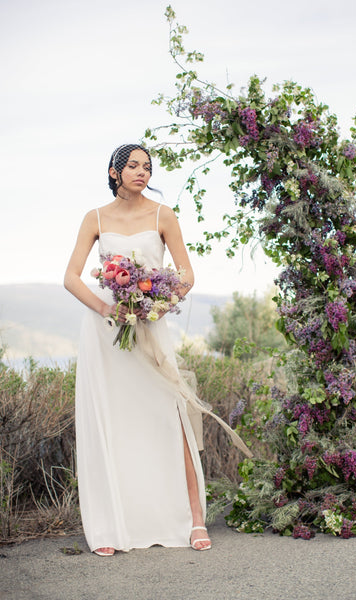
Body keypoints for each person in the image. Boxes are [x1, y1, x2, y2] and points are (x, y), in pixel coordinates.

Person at [64, 143, 212, 556]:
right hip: (107, 332)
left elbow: (186, 274)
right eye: (132, 165)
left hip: (150, 327)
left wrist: (155, 306)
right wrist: (108, 309)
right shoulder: (94, 218)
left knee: (171, 415)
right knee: (116, 422)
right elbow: (71, 277)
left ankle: (194, 520)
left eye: (147, 166)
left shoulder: (163, 215)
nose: (141, 172)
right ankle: (112, 526)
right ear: (114, 172)